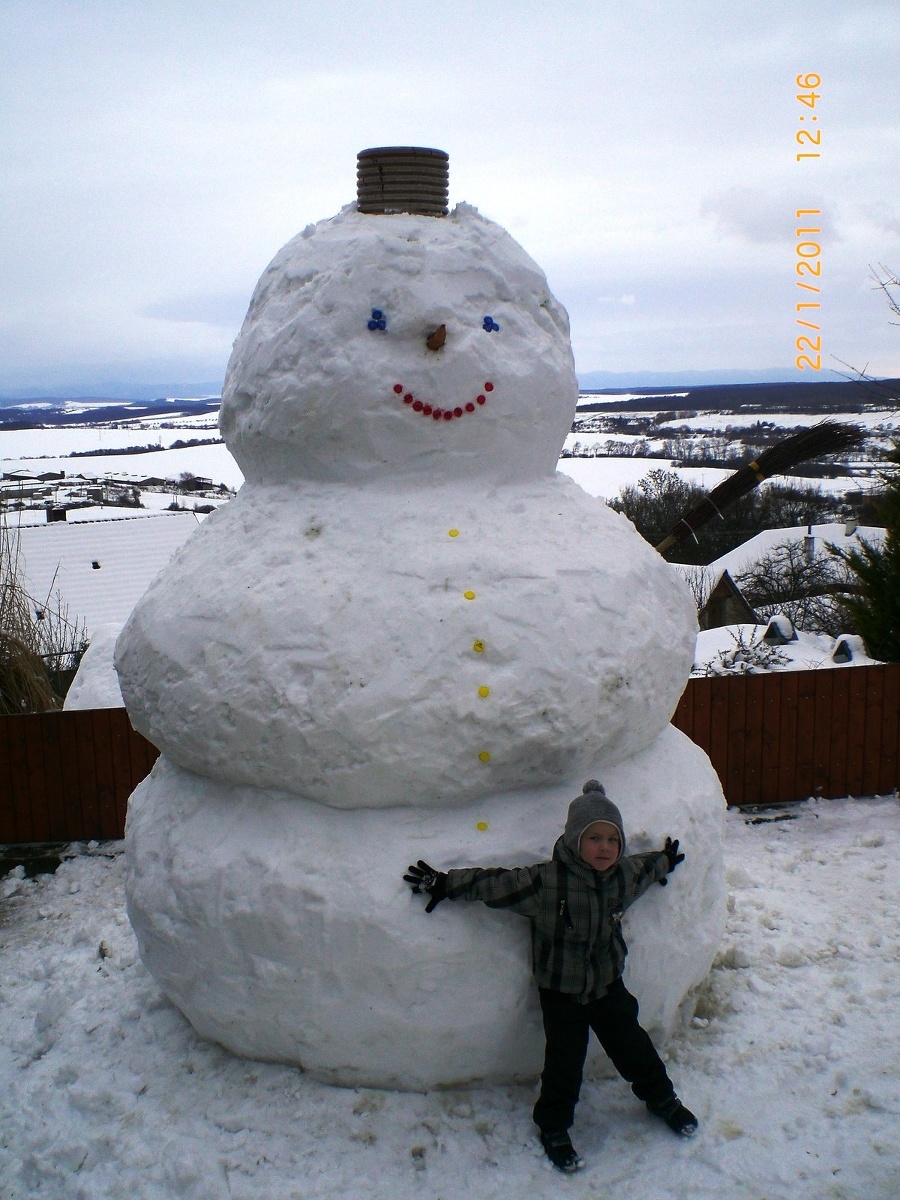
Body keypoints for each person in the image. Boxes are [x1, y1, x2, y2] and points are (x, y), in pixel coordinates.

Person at [403, 779, 697, 1173]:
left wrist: (663, 861)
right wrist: (445, 883)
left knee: (634, 1047)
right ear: (575, 840)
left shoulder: (621, 876)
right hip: (561, 994)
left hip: (609, 986)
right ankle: (554, 1127)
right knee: (564, 1064)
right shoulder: (546, 882)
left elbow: (644, 870)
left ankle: (663, 1100)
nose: (605, 848)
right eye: (594, 839)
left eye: (612, 840)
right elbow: (495, 884)